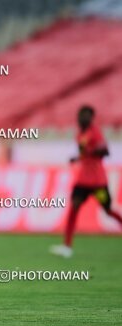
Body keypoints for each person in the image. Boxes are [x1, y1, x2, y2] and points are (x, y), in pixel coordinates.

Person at [50, 105, 122, 258]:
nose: (83, 118)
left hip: (97, 182)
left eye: (86, 115)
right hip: (83, 180)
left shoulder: (95, 133)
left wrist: (89, 152)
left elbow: (105, 151)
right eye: (81, 115)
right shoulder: (80, 134)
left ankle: (66, 246)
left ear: (91, 118)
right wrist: (77, 158)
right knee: (73, 207)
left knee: (108, 210)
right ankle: (67, 246)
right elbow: (85, 154)